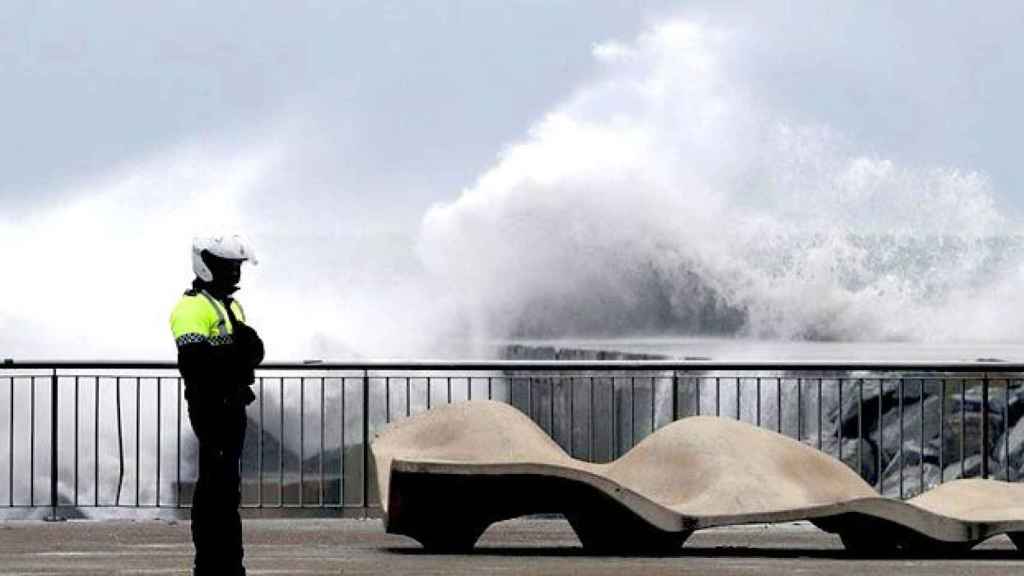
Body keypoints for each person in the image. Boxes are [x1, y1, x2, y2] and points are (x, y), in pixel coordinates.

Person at [169, 235, 264, 576]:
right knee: (213, 489)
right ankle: (208, 564)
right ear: (207, 265)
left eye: (237, 267)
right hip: (210, 407)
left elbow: (254, 352)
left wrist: (235, 358)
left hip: (233, 403)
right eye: (229, 267)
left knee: (226, 489)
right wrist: (237, 357)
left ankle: (230, 563)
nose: (235, 274)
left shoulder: (230, 304)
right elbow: (195, 364)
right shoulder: (191, 307)